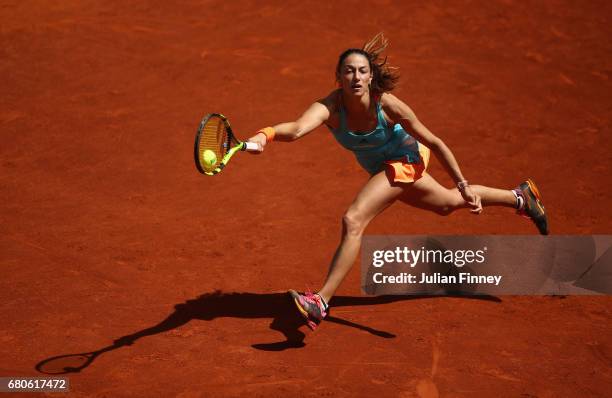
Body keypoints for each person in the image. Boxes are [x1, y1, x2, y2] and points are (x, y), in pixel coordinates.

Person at [247, 32, 548, 331]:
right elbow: (298, 129)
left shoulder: (388, 106)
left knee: (354, 219)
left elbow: (435, 142)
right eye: (349, 70)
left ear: (370, 77)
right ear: (338, 77)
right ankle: (520, 197)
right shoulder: (331, 108)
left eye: (362, 71)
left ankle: (321, 302)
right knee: (445, 205)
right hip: (384, 169)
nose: (355, 76)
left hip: (407, 161)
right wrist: (266, 134)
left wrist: (463, 183)